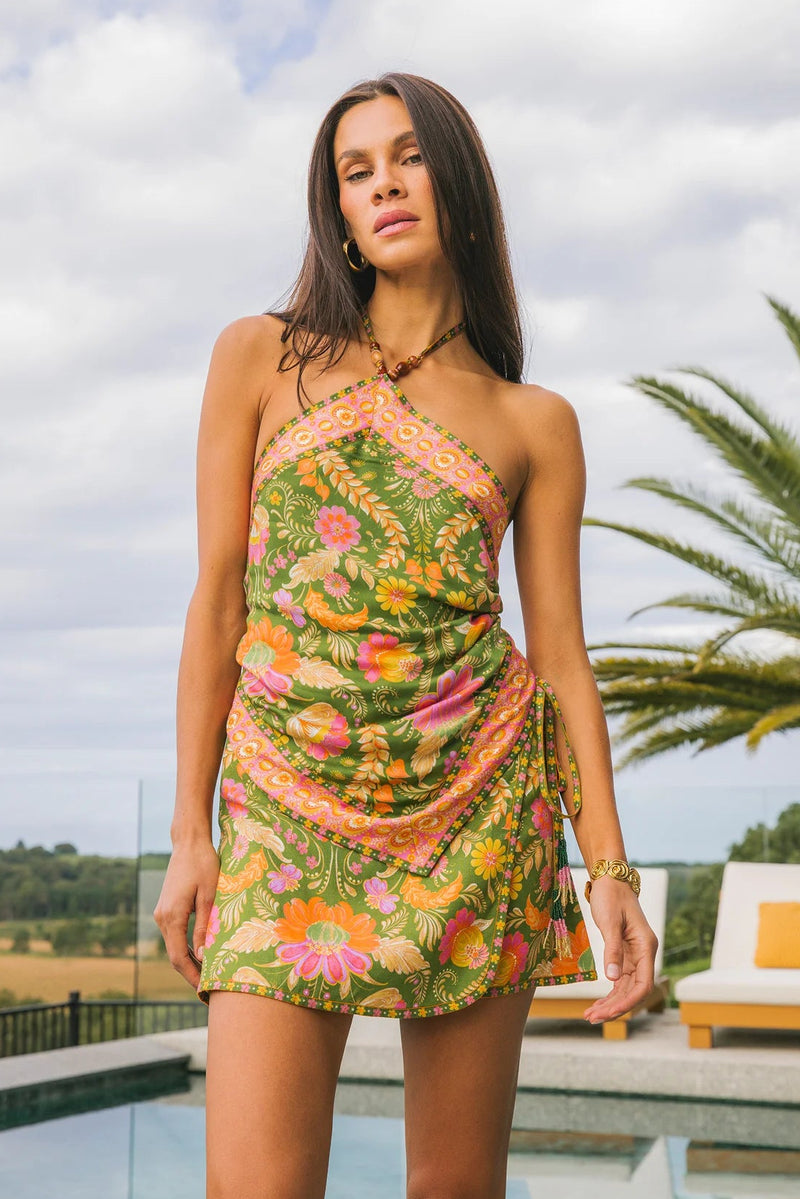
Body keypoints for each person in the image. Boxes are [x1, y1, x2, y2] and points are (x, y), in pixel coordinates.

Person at [154, 71, 658, 1199]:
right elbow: (219, 598)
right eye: (354, 169)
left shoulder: (536, 423)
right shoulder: (259, 357)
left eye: (406, 156)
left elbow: (560, 657)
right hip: (281, 812)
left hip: (477, 818)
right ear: (335, 210)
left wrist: (607, 868)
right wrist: (192, 829)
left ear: (458, 182)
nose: (383, 184)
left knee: (451, 1188)